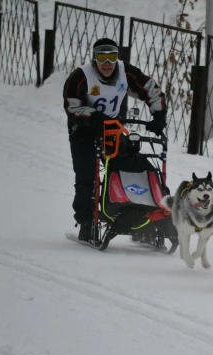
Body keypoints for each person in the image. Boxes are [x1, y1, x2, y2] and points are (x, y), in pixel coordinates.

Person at [63, 37, 167, 241]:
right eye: (102, 57)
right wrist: (93, 116)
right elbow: (72, 106)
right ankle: (86, 222)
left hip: (112, 129)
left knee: (132, 167)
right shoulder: (80, 77)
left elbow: (151, 90)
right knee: (87, 177)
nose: (107, 63)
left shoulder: (126, 72)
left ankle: (141, 219)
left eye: (112, 56)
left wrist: (158, 115)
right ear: (94, 59)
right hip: (83, 131)